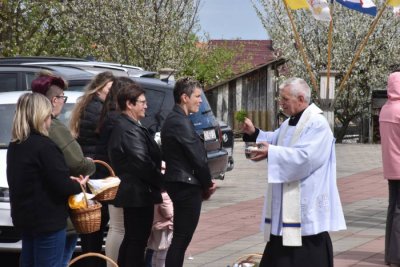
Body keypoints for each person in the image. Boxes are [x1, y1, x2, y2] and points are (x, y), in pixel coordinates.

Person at [241, 77, 346, 267]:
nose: (281, 103)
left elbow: (306, 158)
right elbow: (277, 139)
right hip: (287, 201)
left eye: (285, 99)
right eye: (280, 99)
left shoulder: (317, 124)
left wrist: (271, 152)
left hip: (305, 199)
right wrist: (255, 133)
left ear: (300, 98)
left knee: (305, 249)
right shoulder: (291, 122)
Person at [6, 92, 88, 267]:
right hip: (47, 220)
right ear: (42, 116)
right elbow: (62, 185)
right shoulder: (45, 146)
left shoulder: (16, 145)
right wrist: (78, 184)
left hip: (25, 218)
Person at [31, 71, 96, 266]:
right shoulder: (53, 127)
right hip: (57, 213)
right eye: (62, 97)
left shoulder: (26, 129)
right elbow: (77, 163)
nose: (63, 102)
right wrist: (89, 164)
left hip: (33, 213)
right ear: (53, 100)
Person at [161, 77, 217, 267]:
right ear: (184, 97)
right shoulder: (179, 121)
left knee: (181, 239)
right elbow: (197, 158)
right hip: (184, 185)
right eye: (197, 96)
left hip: (181, 182)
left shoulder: (179, 119)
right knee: (181, 239)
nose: (200, 101)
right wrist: (208, 183)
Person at [108, 83, 163, 267]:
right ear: (129, 104)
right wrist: (161, 180)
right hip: (137, 193)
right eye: (142, 102)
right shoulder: (128, 129)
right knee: (136, 240)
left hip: (137, 192)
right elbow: (142, 163)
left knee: (133, 238)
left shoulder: (129, 125)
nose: (146, 106)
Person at [69, 71, 114, 267]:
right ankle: (93, 262)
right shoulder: (97, 109)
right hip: (95, 173)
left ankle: (91, 260)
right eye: (110, 89)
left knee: (91, 229)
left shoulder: (88, 104)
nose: (112, 93)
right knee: (95, 227)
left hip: (90, 171)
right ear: (100, 87)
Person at [98, 77, 136, 266]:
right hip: (115, 179)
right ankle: (113, 264)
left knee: (117, 227)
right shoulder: (115, 119)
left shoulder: (109, 115)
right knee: (118, 227)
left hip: (112, 178)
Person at [379, 71, 400, 267]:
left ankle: (391, 254)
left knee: (393, 208)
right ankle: (396, 255)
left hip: (391, 167)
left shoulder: (386, 109)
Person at [146, 190, 173, 267]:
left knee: (155, 249)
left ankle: (154, 265)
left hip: (155, 226)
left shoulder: (153, 194)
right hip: (164, 227)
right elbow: (169, 214)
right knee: (163, 249)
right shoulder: (165, 196)